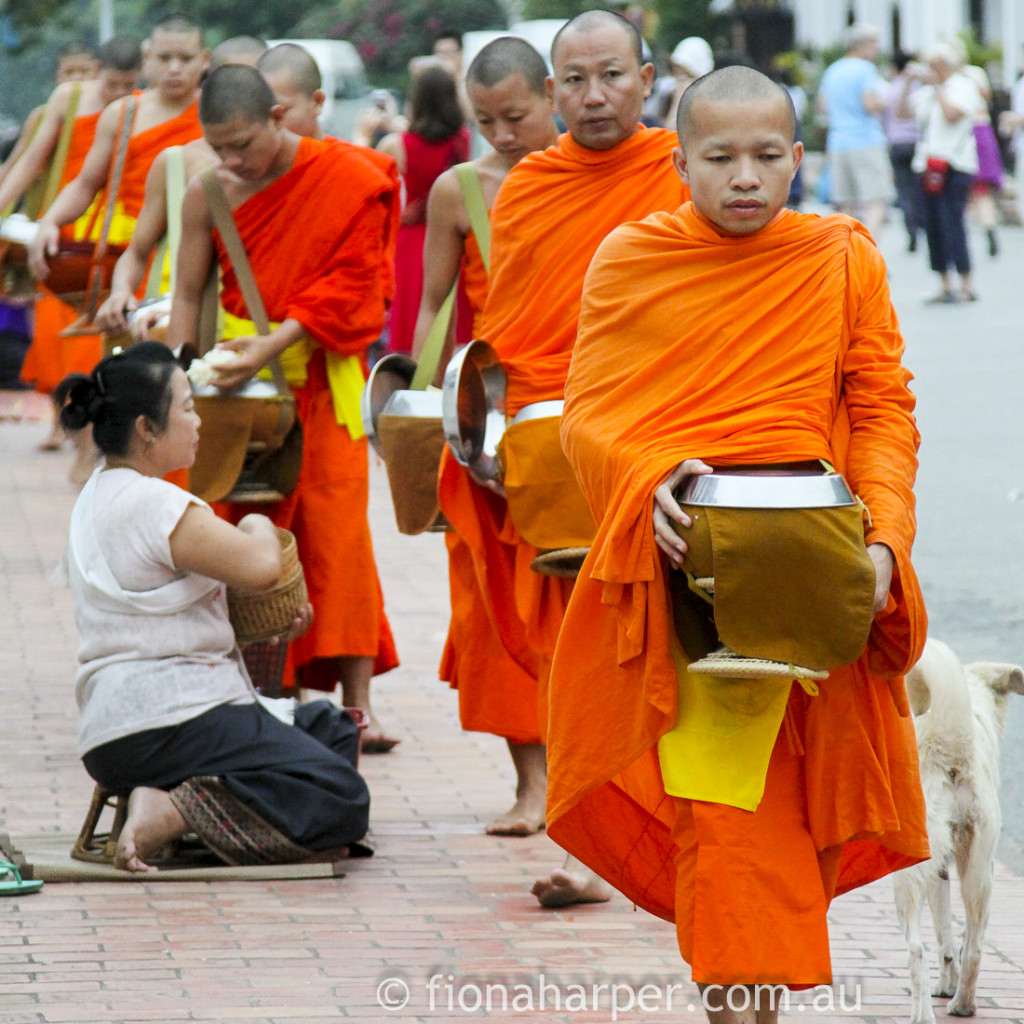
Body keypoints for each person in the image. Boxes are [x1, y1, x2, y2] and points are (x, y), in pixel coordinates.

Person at [544, 66, 928, 1020]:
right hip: (692, 573)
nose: (745, 178)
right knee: (723, 813)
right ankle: (738, 1008)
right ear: (680, 163)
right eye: (720, 159)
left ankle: (755, 1003)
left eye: (767, 157)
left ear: (801, 160)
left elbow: (882, 410)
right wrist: (648, 478)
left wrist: (883, 543)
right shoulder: (632, 257)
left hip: (815, 566)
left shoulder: (841, 255)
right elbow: (588, 414)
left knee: (796, 810)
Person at [437, 9, 688, 903]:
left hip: (658, 448)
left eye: (612, 76)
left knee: (655, 648)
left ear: (647, 79)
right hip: (550, 451)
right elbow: (507, 329)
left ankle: (663, 840)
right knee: (573, 653)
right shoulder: (532, 187)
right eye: (575, 80)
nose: (594, 96)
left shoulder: (684, 171)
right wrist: (483, 432)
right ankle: (599, 840)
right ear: (554, 92)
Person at [59, 342, 369, 874]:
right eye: (186, 407)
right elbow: (260, 566)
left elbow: (164, 611)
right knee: (342, 794)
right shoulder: (151, 502)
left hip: (117, 731)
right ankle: (175, 809)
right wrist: (257, 524)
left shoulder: (96, 497)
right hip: (167, 721)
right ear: (145, 429)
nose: (199, 420)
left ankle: (215, 812)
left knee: (330, 727)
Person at [165, 64, 401, 751]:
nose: (233, 159)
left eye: (243, 143)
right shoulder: (209, 193)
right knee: (245, 536)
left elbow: (360, 286)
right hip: (236, 394)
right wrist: (178, 379)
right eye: (219, 147)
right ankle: (266, 693)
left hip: (322, 384)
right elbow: (186, 291)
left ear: (278, 115)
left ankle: (357, 706)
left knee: (338, 543)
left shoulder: (348, 176)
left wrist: (274, 344)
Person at [409, 37, 559, 836]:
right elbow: (435, 305)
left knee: (571, 603)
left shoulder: (591, 180)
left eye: (517, 115)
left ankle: (586, 780)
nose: (503, 134)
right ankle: (529, 785)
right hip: (488, 413)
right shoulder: (458, 191)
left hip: (572, 415)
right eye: (487, 120)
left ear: (550, 97)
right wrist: (424, 403)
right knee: (493, 603)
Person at [0, 37, 142, 461]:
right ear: (100, 71)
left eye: (128, 85)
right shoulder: (70, 99)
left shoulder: (144, 106)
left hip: (116, 231)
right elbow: (31, 160)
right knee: (51, 334)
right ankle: (62, 420)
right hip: (62, 231)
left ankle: (88, 439)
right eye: (113, 84)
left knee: (93, 335)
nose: (119, 94)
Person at [94, 36, 275, 337]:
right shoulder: (177, 162)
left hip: (274, 326)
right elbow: (138, 252)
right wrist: (120, 291)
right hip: (190, 319)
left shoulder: (302, 162)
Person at [28, 14, 209, 284]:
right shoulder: (123, 114)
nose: (174, 68)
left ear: (205, 59)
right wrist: (51, 221)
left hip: (200, 251)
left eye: (185, 59)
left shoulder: (215, 112)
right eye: (164, 58)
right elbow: (86, 184)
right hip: (132, 253)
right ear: (147, 57)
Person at [377, 64, 471, 354]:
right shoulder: (461, 139)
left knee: (413, 317)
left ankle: (414, 384)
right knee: (455, 324)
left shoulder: (397, 144)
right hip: (453, 238)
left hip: (412, 240)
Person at [898, 44, 984, 303]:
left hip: (955, 164)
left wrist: (937, 88)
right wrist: (908, 82)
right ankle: (944, 283)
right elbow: (902, 113)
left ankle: (966, 282)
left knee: (952, 222)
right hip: (927, 165)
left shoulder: (963, 86)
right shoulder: (925, 92)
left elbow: (952, 115)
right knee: (932, 225)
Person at [817, 22, 893, 239]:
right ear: (861, 45)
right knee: (876, 201)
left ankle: (844, 253)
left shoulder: (833, 70)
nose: (877, 48)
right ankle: (869, 253)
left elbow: (823, 106)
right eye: (874, 43)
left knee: (846, 205)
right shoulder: (866, 69)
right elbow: (869, 104)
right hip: (865, 140)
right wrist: (884, 101)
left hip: (838, 141)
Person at [882, 52, 925, 252]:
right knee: (919, 190)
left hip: (897, 144)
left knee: (905, 191)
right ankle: (921, 226)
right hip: (916, 143)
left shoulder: (890, 89)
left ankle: (911, 232)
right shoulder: (918, 89)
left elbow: (883, 120)